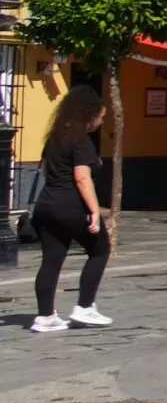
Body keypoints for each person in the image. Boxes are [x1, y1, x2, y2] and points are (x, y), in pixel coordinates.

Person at [28, 86, 112, 334]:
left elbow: (46, 170)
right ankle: (85, 307)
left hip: (47, 204)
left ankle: (45, 316)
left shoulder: (53, 138)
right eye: (101, 116)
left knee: (51, 262)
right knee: (99, 250)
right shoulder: (81, 142)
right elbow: (82, 179)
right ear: (90, 114)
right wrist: (95, 211)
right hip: (71, 204)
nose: (101, 121)